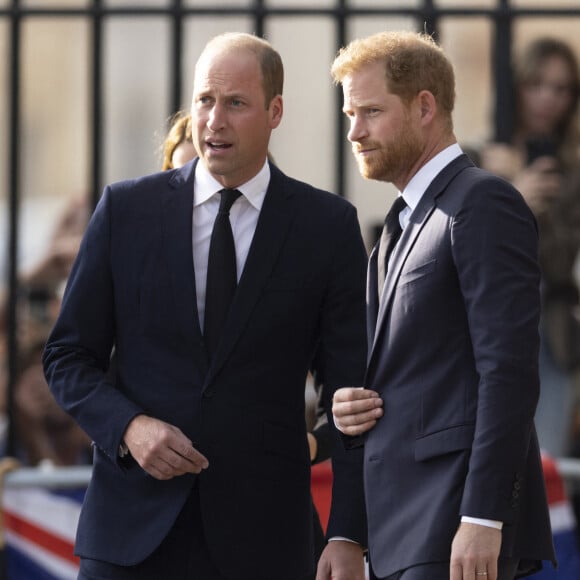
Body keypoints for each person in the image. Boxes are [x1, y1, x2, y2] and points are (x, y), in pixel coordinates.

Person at [43, 32, 368, 580]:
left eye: (236, 103)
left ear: (275, 111)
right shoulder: (126, 210)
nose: (214, 119)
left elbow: (353, 389)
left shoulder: (326, 227)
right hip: (131, 533)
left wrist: (347, 531)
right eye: (204, 100)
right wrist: (130, 429)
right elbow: (68, 357)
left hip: (265, 538)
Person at [326, 30, 556, 580]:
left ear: (424, 106)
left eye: (372, 111)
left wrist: (484, 516)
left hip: (457, 525)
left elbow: (509, 370)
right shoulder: (394, 229)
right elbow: (397, 377)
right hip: (400, 532)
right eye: (349, 114)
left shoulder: (483, 201)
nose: (354, 132)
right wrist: (348, 529)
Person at [475, 37, 580, 458]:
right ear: (517, 87)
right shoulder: (477, 159)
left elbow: (561, 264)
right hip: (479, 332)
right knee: (481, 460)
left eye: (561, 88)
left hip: (548, 336)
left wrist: (538, 205)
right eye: (537, 84)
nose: (547, 99)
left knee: (544, 463)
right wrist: (510, 194)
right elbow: (462, 246)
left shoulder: (571, 171)